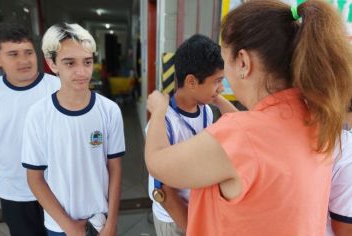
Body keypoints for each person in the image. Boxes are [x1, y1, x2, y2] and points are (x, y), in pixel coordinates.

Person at [145, 0, 352, 235]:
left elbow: (157, 162)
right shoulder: (316, 121)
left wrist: (158, 110)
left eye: (225, 61)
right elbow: (254, 140)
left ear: (243, 62)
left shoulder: (240, 134)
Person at [21, 23, 125, 236]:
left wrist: (112, 222)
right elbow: (35, 178)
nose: (82, 72)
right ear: (52, 64)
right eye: (70, 63)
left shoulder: (109, 110)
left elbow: (114, 169)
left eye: (87, 62)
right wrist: (69, 227)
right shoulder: (38, 115)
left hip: (102, 221)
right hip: (60, 226)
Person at [148, 34, 229, 235]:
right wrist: (192, 230)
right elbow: (165, 191)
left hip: (198, 210)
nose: (221, 88)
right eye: (217, 81)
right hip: (175, 219)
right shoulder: (163, 121)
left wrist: (215, 97)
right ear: (191, 82)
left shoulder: (207, 111)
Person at [0, 22, 60, 236]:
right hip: (16, 196)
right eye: (13, 54)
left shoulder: (60, 88)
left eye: (28, 52)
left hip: (60, 191)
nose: (24, 60)